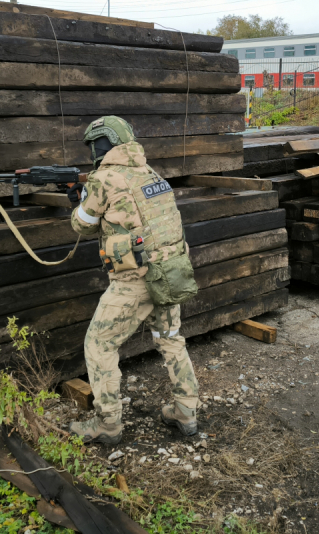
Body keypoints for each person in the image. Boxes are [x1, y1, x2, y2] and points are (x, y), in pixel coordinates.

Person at [66, 116, 200, 444]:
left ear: (102, 144)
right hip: (169, 274)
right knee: (170, 338)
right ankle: (186, 410)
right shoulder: (150, 174)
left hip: (135, 280)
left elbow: (81, 225)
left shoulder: (103, 178)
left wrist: (78, 201)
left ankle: (107, 424)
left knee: (99, 344)